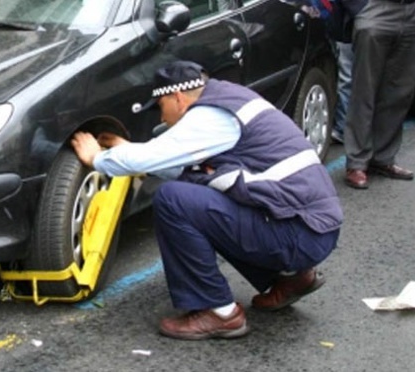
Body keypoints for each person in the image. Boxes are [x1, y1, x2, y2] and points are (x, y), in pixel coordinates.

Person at [71, 60, 343, 340]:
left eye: (161, 108)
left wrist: (97, 159)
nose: (162, 119)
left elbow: (159, 156)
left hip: (299, 232)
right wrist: (131, 151)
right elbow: (187, 168)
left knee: (173, 200)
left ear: (177, 97)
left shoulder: (211, 117)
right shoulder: (229, 100)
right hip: (309, 226)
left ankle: (220, 312)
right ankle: (292, 278)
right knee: (197, 193)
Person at [343, 0, 415, 189]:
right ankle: (356, 163)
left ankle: (383, 158)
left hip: (410, 11)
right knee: (364, 90)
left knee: (399, 91)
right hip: (375, 8)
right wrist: (359, 7)